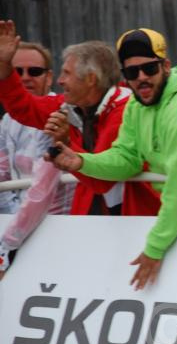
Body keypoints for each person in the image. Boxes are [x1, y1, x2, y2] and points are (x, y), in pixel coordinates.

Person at [47, 28, 177, 290]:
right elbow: (127, 158)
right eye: (131, 73)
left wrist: (154, 248)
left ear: (166, 66)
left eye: (149, 68)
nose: (141, 78)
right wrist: (82, 162)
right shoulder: (137, 106)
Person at [0, 21, 160, 218]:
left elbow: (102, 180)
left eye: (66, 73)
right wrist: (5, 65)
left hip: (137, 219)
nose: (60, 81)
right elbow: (22, 108)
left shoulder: (124, 111)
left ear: (91, 79)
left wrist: (66, 143)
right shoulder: (70, 106)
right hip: (98, 220)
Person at [0, 41, 75, 276]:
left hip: (58, 230)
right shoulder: (7, 121)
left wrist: (8, 241)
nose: (25, 78)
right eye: (16, 71)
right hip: (16, 230)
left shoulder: (60, 114)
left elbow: (43, 193)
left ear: (49, 76)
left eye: (34, 71)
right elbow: (2, 174)